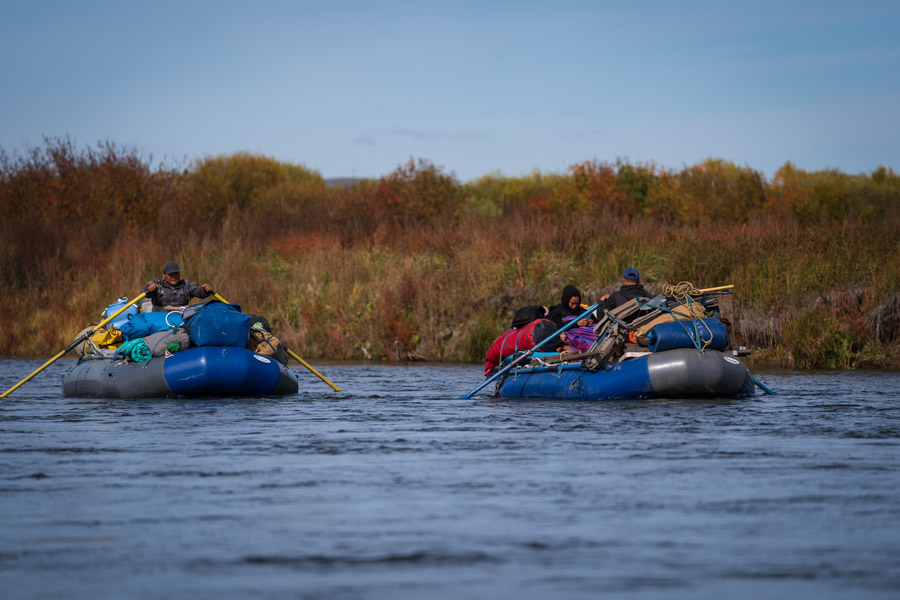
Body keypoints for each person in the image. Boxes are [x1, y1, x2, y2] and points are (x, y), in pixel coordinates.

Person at [143, 261, 213, 312]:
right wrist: (149, 289)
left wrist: (205, 290)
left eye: (176, 274)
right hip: (159, 318)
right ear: (164, 275)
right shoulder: (157, 285)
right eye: (170, 274)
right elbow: (144, 293)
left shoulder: (186, 285)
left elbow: (200, 292)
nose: (174, 277)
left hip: (180, 318)